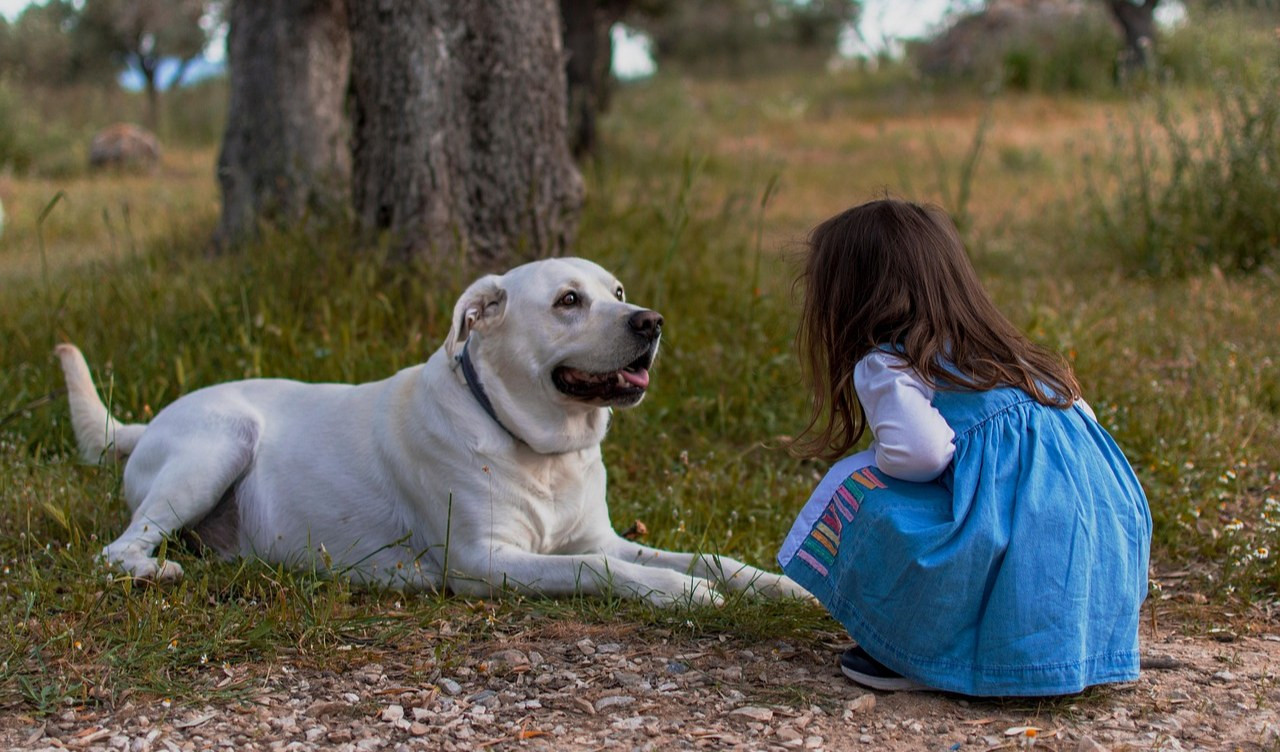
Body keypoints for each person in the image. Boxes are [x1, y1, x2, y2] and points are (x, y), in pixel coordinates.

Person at [778, 198, 1151, 696]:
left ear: (853, 299)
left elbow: (922, 453)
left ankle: (918, 651)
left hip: (1019, 547)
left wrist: (881, 463)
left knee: (860, 486)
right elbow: (1084, 433)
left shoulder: (890, 363)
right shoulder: (1014, 357)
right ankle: (1066, 646)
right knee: (1012, 510)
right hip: (1101, 545)